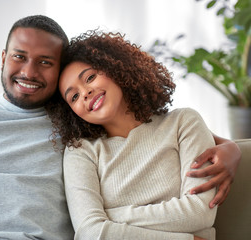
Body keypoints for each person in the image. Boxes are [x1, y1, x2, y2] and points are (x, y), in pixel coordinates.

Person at [0, 15, 241, 239]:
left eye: (45, 63)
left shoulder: (72, 125)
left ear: (57, 72)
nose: (29, 72)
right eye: (18, 56)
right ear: (3, 57)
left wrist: (232, 147)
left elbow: (159, 130)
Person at [45, 30, 224, 239]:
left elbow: (200, 212)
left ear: (115, 68)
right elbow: (89, 232)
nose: (85, 93)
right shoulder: (81, 151)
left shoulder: (183, 122)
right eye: (74, 96)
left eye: (90, 77)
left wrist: (110, 218)